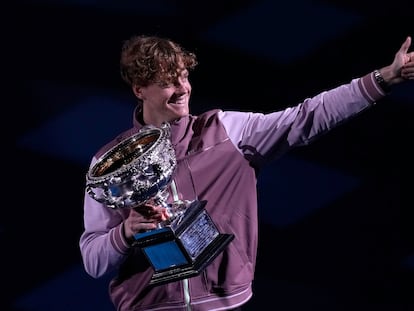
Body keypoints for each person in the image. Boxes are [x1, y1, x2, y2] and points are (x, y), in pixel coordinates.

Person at [79, 34, 414, 311]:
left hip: (226, 304)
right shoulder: (110, 165)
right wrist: (126, 232)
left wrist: (383, 78)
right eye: (167, 82)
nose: (182, 89)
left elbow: (306, 117)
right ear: (140, 89)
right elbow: (94, 261)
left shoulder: (227, 132)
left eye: (183, 76)